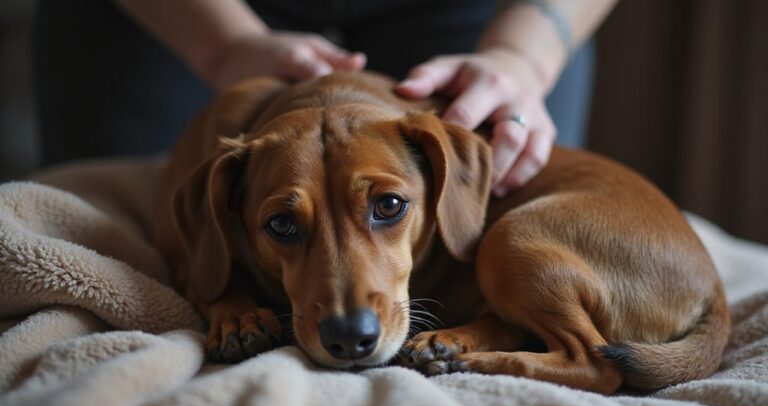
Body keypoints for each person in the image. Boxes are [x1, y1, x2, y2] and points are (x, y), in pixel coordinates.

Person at [34, 0, 617, 197]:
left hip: (480, 11)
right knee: (150, 240)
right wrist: (226, 48)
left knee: (499, 208)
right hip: (181, 16)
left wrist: (523, 57)